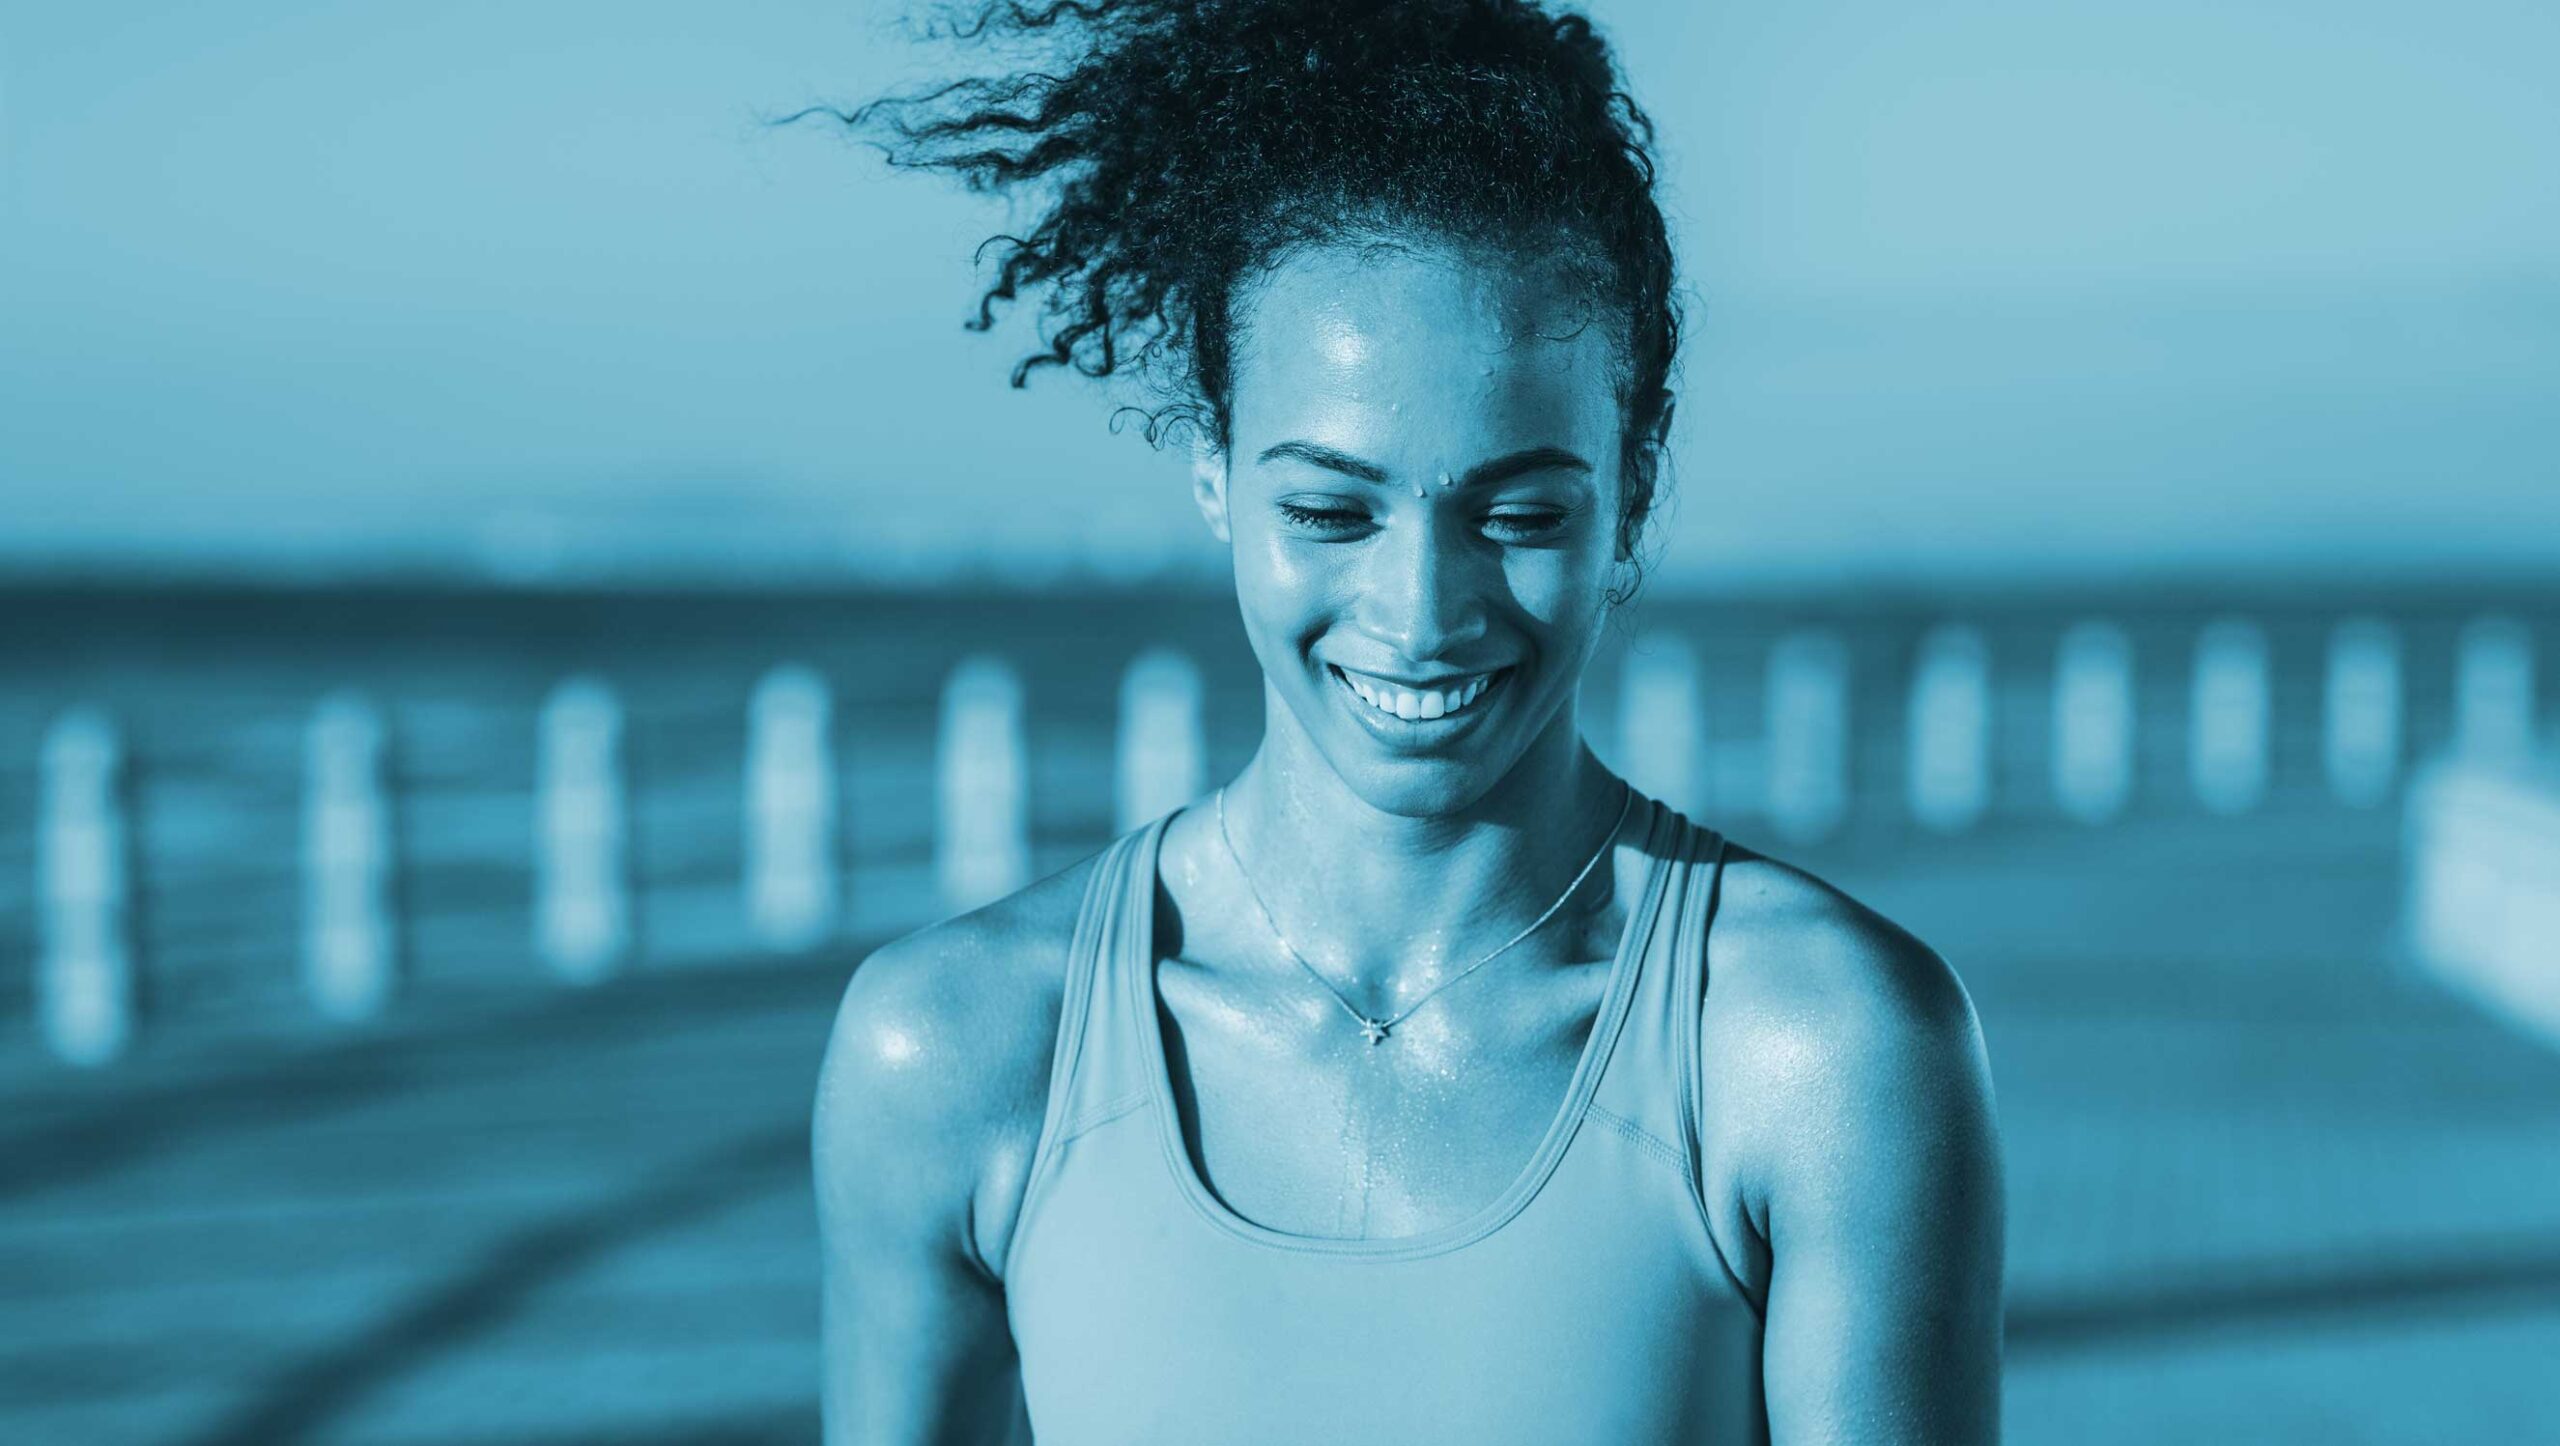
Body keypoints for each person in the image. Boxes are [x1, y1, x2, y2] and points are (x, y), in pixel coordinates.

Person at [809, 2, 2004, 1441]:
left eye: (1519, 513)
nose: (1423, 608)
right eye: (1330, 508)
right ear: (1214, 470)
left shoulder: (1816, 1051)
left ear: (1632, 490)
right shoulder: (958, 1049)